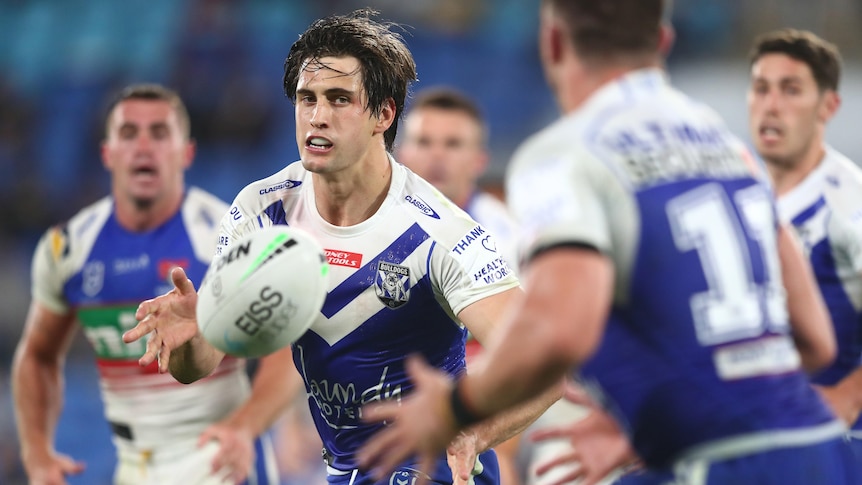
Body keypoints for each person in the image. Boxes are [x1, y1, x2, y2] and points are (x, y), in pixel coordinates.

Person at [355, 1, 853, 484]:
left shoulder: (564, 155)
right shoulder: (729, 146)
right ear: (663, 40)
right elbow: (815, 340)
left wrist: (455, 408)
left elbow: (562, 331)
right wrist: (657, 423)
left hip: (721, 463)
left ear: (552, 43)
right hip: (821, 450)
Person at [122, 10, 559, 485]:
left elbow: (549, 362)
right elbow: (202, 362)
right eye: (306, 98)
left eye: (339, 99)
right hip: (344, 471)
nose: (317, 116)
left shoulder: (441, 234)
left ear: (384, 114)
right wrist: (195, 331)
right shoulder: (263, 211)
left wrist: (477, 430)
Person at [12, 83, 297, 485]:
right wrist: (37, 452)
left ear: (187, 152)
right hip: (131, 467)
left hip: (218, 460)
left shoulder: (229, 238)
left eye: (160, 133)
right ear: (107, 154)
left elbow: (285, 355)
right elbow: (38, 355)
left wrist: (245, 427)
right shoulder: (69, 249)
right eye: (129, 133)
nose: (144, 146)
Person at [748, 27, 862, 472]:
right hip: (766, 435)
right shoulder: (746, 199)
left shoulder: (847, 204)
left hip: (841, 444)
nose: (771, 105)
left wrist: (848, 395)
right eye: (761, 88)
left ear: (828, 106)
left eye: (791, 90)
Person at [398, 87, 523, 485]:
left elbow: (525, 362)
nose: (436, 155)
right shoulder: (369, 226)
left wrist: (490, 437)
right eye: (423, 141)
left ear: (478, 160)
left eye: (452, 144)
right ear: (399, 152)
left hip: (477, 412)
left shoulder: (508, 242)